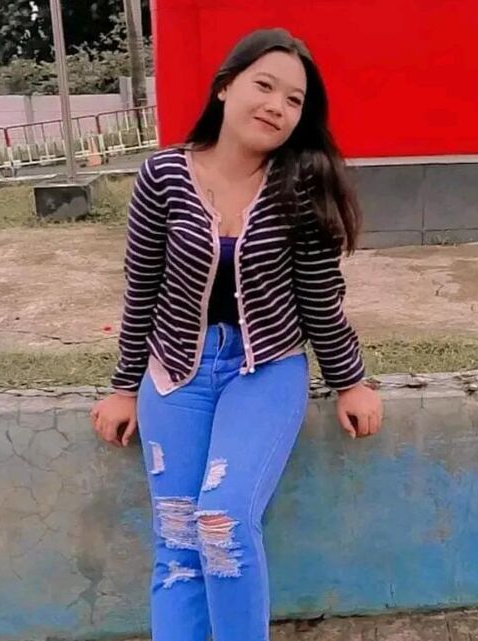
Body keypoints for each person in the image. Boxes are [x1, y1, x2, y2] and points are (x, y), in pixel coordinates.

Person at [90, 27, 383, 641]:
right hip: (176, 372)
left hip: (264, 369)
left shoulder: (300, 182)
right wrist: (122, 388)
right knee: (177, 539)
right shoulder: (163, 176)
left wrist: (350, 381)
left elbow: (319, 298)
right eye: (264, 86)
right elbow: (141, 290)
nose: (277, 106)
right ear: (225, 87)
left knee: (221, 521)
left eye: (294, 100)